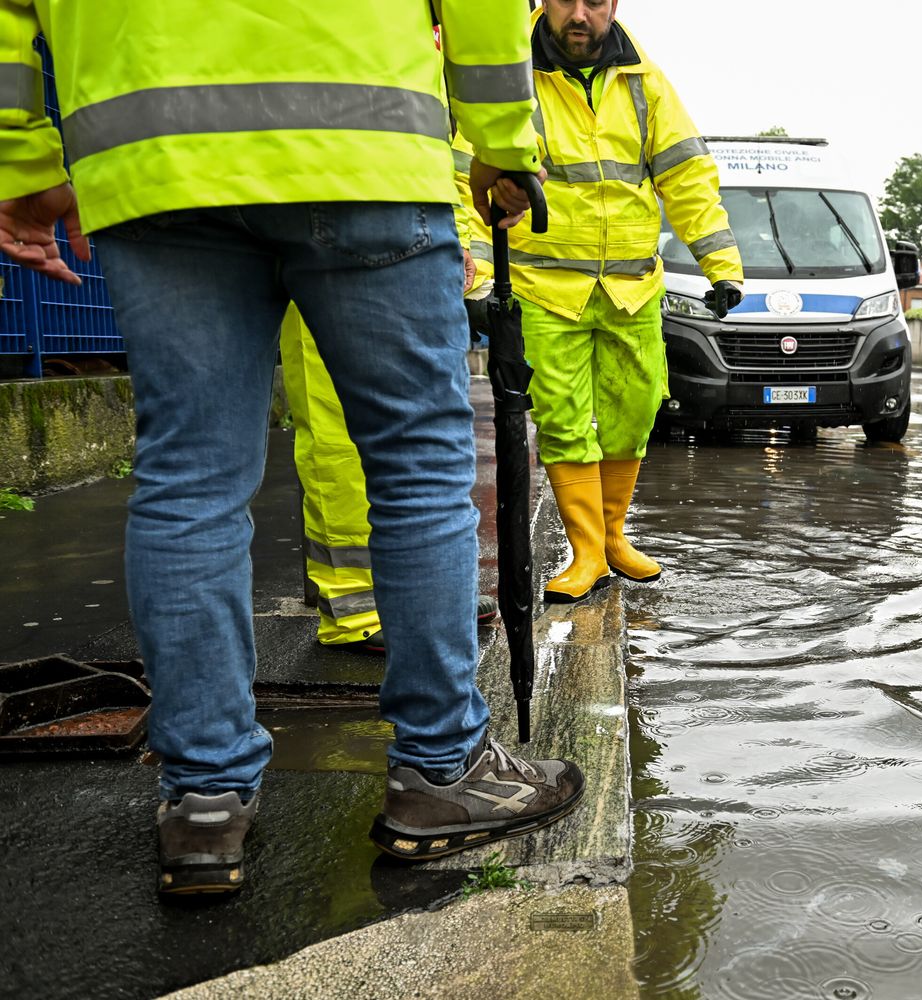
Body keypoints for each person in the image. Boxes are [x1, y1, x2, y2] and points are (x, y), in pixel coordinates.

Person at [0, 0, 584, 895]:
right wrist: (503, 146)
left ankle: (204, 800)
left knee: (188, 483)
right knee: (417, 468)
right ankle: (441, 769)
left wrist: (23, 161)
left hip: (153, 159)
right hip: (362, 142)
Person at [491, 0, 744, 604]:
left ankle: (612, 536)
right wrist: (474, 269)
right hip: (546, 288)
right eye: (565, 0)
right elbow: (467, 177)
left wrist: (722, 266)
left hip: (632, 287)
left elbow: (686, 176)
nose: (579, 15)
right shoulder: (509, 77)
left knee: (635, 411)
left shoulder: (644, 81)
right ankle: (586, 553)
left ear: (614, 5)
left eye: (595, 2)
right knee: (563, 420)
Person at [281, 133, 500, 655]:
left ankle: (424, 596)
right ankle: (355, 607)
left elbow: (455, 158)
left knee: (421, 433)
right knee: (336, 430)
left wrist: (463, 247)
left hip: (399, 221)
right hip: (309, 200)